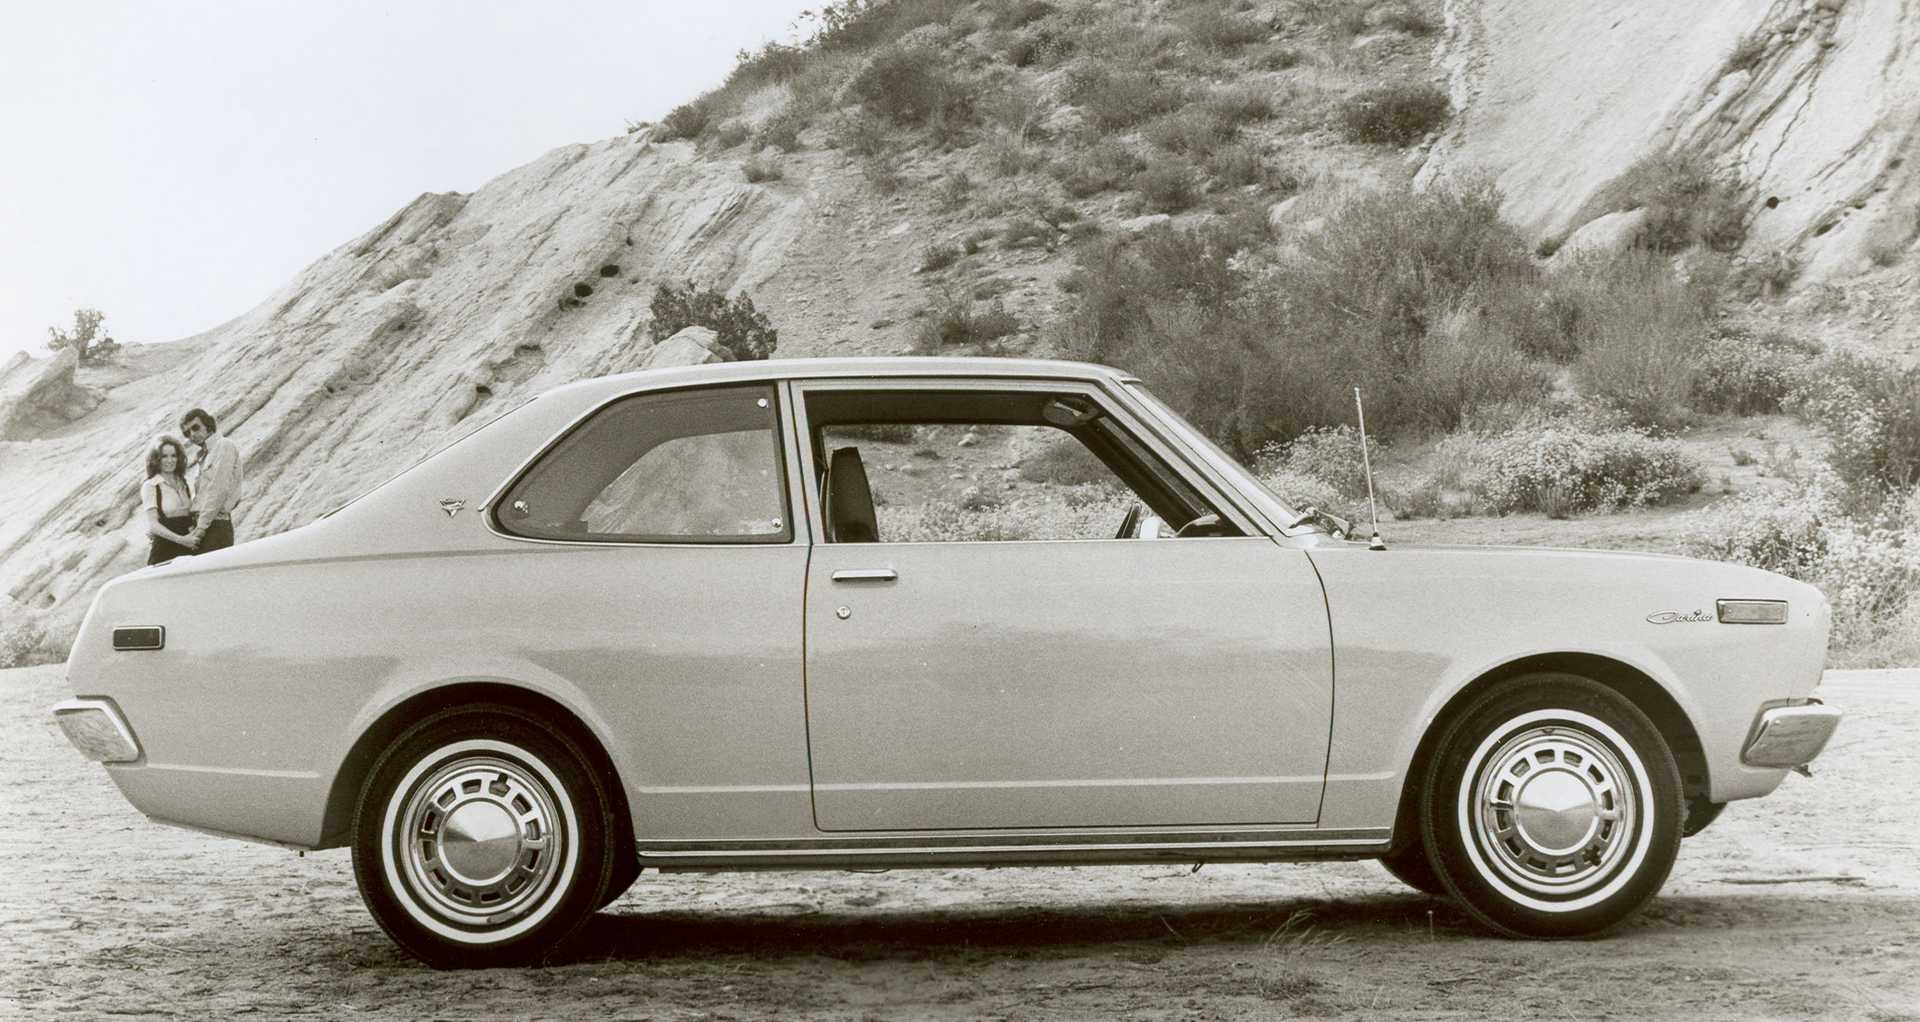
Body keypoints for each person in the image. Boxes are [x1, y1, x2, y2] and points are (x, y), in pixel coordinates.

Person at [179, 407, 243, 552]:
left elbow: (218, 489)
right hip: (204, 525)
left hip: (215, 527)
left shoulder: (223, 445)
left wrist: (201, 528)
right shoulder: (203, 455)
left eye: (196, 428)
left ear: (208, 424)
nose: (192, 435)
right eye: (187, 433)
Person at [142, 435, 198, 565]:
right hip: (165, 549)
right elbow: (153, 524)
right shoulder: (151, 485)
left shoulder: (183, 482)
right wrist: (181, 540)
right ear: (155, 459)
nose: (170, 460)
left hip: (189, 547)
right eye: (164, 456)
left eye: (174, 456)